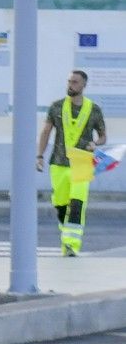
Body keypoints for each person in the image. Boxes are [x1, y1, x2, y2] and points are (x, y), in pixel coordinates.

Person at [37, 69, 106, 256]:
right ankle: (66, 235)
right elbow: (46, 132)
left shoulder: (94, 109)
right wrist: (40, 156)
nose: (71, 85)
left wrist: (95, 143)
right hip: (58, 163)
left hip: (82, 162)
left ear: (84, 85)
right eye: (69, 81)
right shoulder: (57, 107)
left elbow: (103, 136)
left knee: (77, 204)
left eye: (75, 82)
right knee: (60, 204)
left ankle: (71, 245)